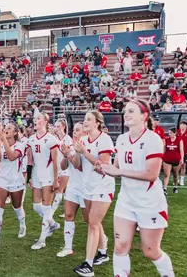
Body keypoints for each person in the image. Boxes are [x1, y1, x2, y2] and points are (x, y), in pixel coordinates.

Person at [100, 99, 174, 277]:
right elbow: (116, 170)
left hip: (150, 202)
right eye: (126, 111)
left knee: (151, 251)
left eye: (132, 111)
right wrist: (104, 168)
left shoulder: (153, 138)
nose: (126, 114)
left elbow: (151, 174)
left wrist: (119, 171)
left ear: (144, 116)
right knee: (120, 246)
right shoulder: (122, 139)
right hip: (126, 200)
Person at [71, 111, 113, 276]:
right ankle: (103, 252)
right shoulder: (82, 140)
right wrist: (69, 154)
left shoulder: (104, 139)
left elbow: (102, 166)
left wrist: (84, 152)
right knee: (93, 221)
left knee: (93, 224)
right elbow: (78, 165)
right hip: (88, 186)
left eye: (89, 119)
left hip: (102, 187)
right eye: (85, 119)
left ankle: (88, 265)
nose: (85, 122)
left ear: (97, 123)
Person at [27, 112, 61, 250]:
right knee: (36, 206)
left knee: (46, 208)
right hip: (36, 175)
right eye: (35, 119)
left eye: (38, 119)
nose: (35, 121)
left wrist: (56, 179)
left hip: (48, 176)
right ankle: (52, 223)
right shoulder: (31, 139)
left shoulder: (52, 139)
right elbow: (30, 160)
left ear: (45, 122)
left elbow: (55, 161)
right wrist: (29, 177)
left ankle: (42, 239)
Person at [0, 122, 27, 248]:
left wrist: (3, 142)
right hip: (1, 180)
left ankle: (22, 225)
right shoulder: (1, 144)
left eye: (9, 128)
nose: (6, 130)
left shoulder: (21, 145)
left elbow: (12, 157)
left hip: (16, 180)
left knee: (17, 207)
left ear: (15, 133)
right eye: (5, 128)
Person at [57, 122, 86, 259]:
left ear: (85, 132)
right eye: (74, 130)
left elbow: (78, 165)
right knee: (68, 215)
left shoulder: (87, 147)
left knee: (90, 220)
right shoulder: (71, 147)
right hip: (73, 186)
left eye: (78, 130)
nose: (74, 133)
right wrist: (64, 155)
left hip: (87, 188)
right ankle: (68, 247)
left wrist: (69, 154)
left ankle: (102, 242)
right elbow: (63, 167)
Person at [52, 118, 72, 218]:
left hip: (65, 168)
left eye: (58, 126)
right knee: (65, 191)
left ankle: (50, 213)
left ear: (63, 127)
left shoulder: (67, 139)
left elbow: (70, 154)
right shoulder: (54, 138)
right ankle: (67, 210)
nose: (56, 128)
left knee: (59, 190)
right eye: (55, 126)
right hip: (56, 167)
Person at [162, 128, 183, 195]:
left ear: (174, 133)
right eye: (169, 133)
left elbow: (181, 150)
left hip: (176, 159)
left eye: (171, 133)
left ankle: (175, 187)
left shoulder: (179, 140)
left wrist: (182, 159)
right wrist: (161, 156)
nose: (169, 134)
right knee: (166, 174)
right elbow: (164, 149)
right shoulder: (167, 140)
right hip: (167, 159)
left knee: (175, 174)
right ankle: (165, 189)